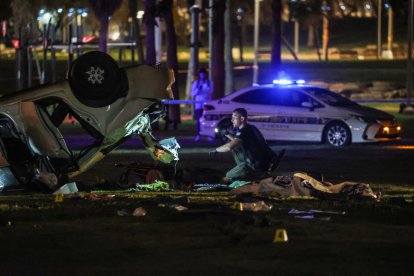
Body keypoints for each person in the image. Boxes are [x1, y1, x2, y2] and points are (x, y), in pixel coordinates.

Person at [210, 108, 284, 182]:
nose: (232, 120)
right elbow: (237, 140)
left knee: (227, 178)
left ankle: (249, 176)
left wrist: (216, 150)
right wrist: (227, 134)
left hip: (255, 167)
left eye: (234, 118)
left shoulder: (245, 131)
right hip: (264, 164)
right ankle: (245, 172)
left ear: (242, 118)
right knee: (236, 145)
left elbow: (229, 146)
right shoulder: (251, 128)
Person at [191, 68, 213, 141]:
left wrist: (205, 86)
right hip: (198, 105)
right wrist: (198, 88)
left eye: (204, 74)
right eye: (201, 74)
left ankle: (209, 135)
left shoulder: (210, 82)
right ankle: (198, 135)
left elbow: (210, 91)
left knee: (208, 119)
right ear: (200, 75)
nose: (202, 75)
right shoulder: (196, 83)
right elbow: (192, 93)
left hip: (207, 104)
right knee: (198, 120)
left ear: (206, 75)